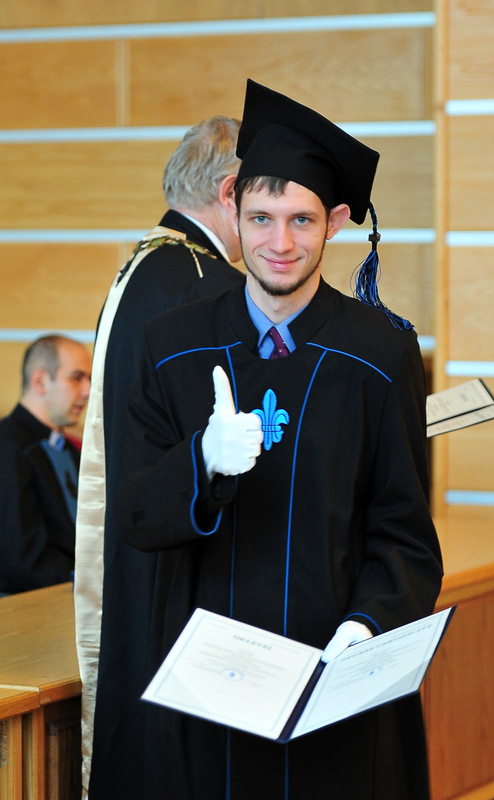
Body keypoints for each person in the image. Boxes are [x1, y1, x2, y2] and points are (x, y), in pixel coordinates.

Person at [112, 80, 443, 800]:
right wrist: (200, 463)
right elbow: (134, 515)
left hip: (334, 693)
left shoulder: (380, 355)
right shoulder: (170, 346)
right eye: (261, 218)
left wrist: (367, 628)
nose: (280, 243)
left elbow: (405, 536)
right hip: (205, 702)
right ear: (232, 205)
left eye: (301, 220)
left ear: (336, 222)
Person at [74, 116, 245, 798]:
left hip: (143, 546)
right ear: (229, 193)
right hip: (186, 556)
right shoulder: (204, 284)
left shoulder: (150, 266)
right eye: (260, 204)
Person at [0, 334, 91, 595]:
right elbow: (21, 558)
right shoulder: (7, 446)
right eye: (76, 378)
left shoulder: (66, 446)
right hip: (29, 604)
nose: (87, 391)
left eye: (89, 379)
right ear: (40, 381)